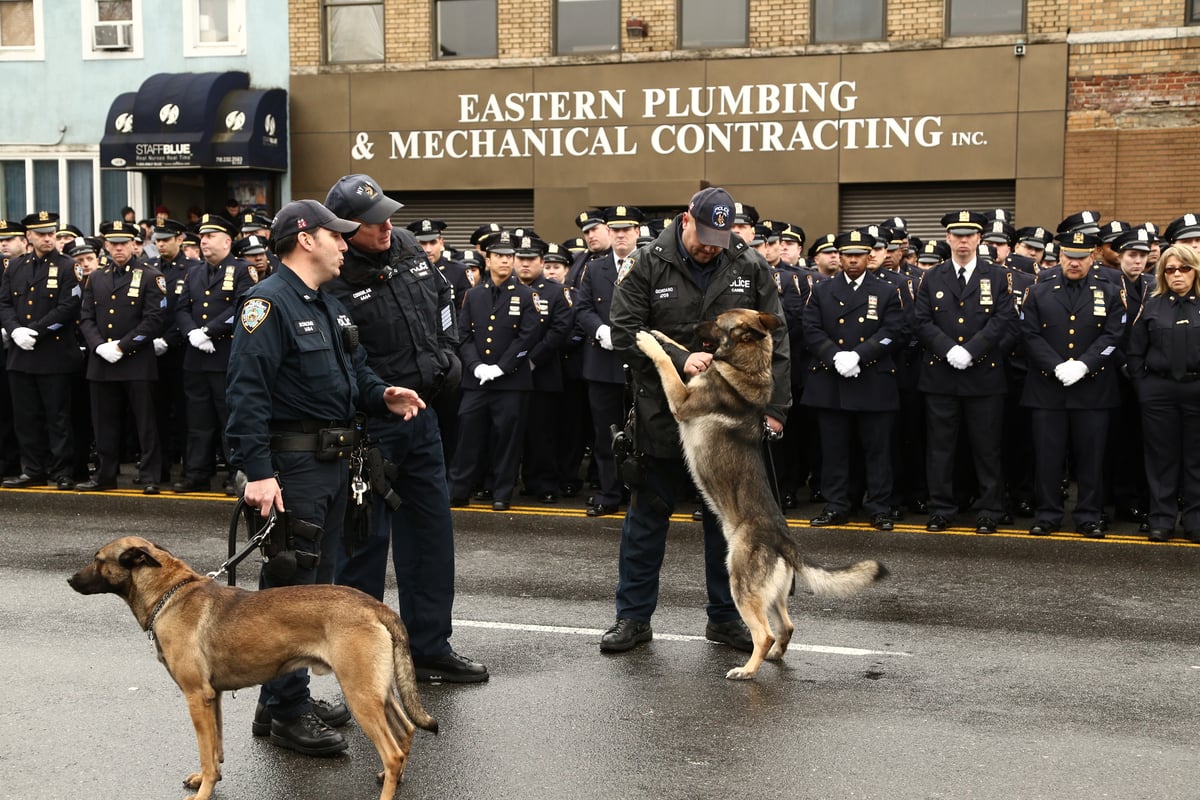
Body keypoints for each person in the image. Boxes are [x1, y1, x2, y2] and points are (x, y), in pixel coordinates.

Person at [225, 199, 426, 756]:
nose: (345, 243)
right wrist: (257, 473)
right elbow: (246, 391)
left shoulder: (326, 305)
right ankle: (288, 713)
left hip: (333, 464)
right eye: (335, 236)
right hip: (292, 467)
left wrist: (382, 394)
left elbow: (353, 373)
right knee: (291, 592)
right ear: (305, 239)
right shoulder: (267, 304)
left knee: (314, 587)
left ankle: (276, 700)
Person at [600, 187, 790, 654]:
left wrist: (776, 409)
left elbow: (777, 341)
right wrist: (681, 357)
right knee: (646, 520)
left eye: (718, 239)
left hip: (729, 421)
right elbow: (625, 331)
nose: (710, 247)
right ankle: (633, 618)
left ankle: (726, 619)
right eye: (704, 236)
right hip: (664, 414)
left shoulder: (749, 264)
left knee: (724, 524)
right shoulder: (647, 262)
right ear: (686, 220)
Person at [322, 172, 487, 684]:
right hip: (372, 429)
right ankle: (363, 660)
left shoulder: (408, 245)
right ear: (347, 231)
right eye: (374, 223)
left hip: (424, 418)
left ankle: (431, 646)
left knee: (432, 537)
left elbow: (441, 300)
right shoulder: (334, 277)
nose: (387, 227)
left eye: (389, 216)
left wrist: (450, 354)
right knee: (365, 548)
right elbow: (341, 359)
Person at [914, 210, 1018, 534]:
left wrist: (971, 350)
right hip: (941, 376)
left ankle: (989, 509)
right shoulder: (932, 277)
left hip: (983, 376)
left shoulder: (998, 276)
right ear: (947, 239)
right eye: (956, 235)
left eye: (969, 235)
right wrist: (949, 349)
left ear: (979, 239)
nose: (962, 241)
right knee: (941, 448)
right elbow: (920, 321)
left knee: (987, 448)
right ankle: (942, 507)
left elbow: (1004, 320)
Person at [1019, 230, 1125, 538]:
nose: (1074, 263)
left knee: (1091, 458)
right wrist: (1055, 365)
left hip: (1093, 388)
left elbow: (1114, 335)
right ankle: (1048, 514)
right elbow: (1029, 334)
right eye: (1068, 257)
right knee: (1048, 457)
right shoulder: (1040, 290)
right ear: (1059, 256)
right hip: (1047, 388)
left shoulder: (1108, 289)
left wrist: (1084, 364)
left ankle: (1089, 515)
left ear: (1092, 257)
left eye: (1080, 258)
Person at [803, 230, 909, 530]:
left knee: (878, 450)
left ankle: (879, 506)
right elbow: (810, 329)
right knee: (834, 449)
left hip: (872, 378)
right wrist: (835, 356)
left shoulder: (888, 290)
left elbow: (893, 331)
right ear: (838, 256)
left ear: (869, 256)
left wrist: (860, 356)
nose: (852, 260)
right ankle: (837, 504)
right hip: (831, 378)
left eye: (858, 254)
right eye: (846, 254)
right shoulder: (822, 289)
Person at [447, 230, 541, 510]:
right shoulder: (474, 295)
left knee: (507, 440)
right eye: (499, 256)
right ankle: (459, 489)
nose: (505, 261)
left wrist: (501, 368)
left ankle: (501, 492)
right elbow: (463, 335)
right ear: (487, 260)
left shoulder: (526, 295)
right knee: (467, 436)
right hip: (476, 381)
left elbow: (529, 336)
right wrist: (475, 366)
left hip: (511, 382)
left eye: (509, 256)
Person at [75, 221, 167, 493]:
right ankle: (105, 475)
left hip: (136, 360)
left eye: (124, 243)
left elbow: (154, 320)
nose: (118, 248)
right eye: (113, 243)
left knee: (145, 423)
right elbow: (86, 317)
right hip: (102, 361)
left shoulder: (150, 275)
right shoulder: (98, 277)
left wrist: (122, 347)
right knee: (103, 423)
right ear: (105, 245)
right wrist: (99, 346)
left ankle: (150, 476)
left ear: (133, 245)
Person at [173, 214, 257, 494]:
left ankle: (235, 473)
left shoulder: (243, 270)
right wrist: (192, 334)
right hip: (196, 357)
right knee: (198, 420)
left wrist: (209, 331)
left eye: (210, 237)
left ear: (227, 241)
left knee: (228, 418)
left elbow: (242, 307)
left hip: (224, 356)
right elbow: (182, 308)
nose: (204, 241)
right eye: (202, 237)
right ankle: (196, 472)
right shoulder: (194, 271)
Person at [0, 211, 83, 490]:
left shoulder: (68, 265)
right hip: (21, 354)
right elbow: (4, 304)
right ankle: (32, 468)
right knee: (26, 417)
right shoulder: (15, 266)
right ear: (29, 237)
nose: (48, 238)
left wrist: (35, 330)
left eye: (51, 233)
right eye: (41, 234)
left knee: (57, 417)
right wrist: (15, 330)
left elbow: (69, 307)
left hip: (54, 354)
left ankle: (61, 471)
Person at [1125, 244, 1200, 543]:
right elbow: (1134, 351)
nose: (1177, 275)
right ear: (1162, 274)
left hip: (1197, 388)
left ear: (1195, 271)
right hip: (1159, 391)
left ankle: (1195, 519)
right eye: (1170, 270)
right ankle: (1161, 518)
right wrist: (1144, 388)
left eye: (1184, 268)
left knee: (1196, 459)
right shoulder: (1152, 306)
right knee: (1161, 458)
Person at [572, 206, 640, 517]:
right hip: (602, 362)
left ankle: (640, 494)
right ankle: (609, 492)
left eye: (627, 230)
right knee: (605, 434)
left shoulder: (650, 265)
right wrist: (601, 330)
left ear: (637, 232)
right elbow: (582, 307)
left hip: (640, 362)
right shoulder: (594, 269)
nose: (622, 235)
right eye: (616, 230)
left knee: (645, 433)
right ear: (609, 233)